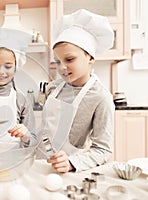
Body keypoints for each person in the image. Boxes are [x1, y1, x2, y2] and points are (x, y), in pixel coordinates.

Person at [40, 9, 115, 172]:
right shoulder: (53, 88)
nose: (62, 68)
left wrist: (72, 163)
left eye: (69, 59)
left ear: (90, 57)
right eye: (57, 61)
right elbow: (44, 131)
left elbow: (102, 150)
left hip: (73, 170)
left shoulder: (101, 98)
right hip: (41, 162)